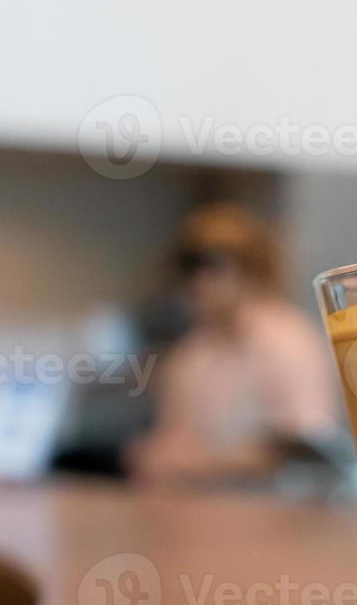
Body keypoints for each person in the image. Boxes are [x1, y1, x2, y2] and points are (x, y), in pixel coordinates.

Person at [129, 203, 338, 486]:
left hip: (279, 515)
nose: (198, 280)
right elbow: (174, 438)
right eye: (189, 265)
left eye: (211, 263)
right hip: (202, 513)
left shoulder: (290, 341)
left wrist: (197, 464)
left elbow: (305, 449)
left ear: (251, 267)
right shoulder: (192, 352)